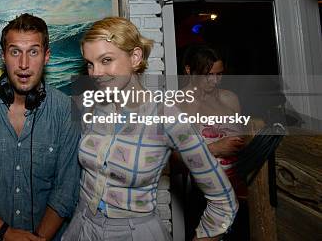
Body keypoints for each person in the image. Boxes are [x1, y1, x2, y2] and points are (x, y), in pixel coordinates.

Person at [63, 17, 237, 241]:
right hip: (83, 227)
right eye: (90, 63)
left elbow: (224, 202)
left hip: (134, 233)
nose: (95, 73)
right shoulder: (91, 107)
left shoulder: (166, 116)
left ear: (135, 57)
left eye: (106, 60)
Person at [0, 13, 80, 241]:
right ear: (3, 56)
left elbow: (67, 188)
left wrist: (38, 238)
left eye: (33, 51)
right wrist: (3, 232)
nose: (23, 64)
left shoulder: (66, 110)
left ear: (46, 56)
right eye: (15, 52)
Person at [180, 45, 247, 240]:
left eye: (219, 74)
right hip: (204, 193)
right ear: (188, 70)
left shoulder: (230, 98)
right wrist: (215, 148)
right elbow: (172, 159)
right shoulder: (177, 104)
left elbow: (240, 138)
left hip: (240, 187)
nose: (214, 80)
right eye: (207, 74)